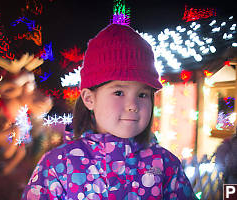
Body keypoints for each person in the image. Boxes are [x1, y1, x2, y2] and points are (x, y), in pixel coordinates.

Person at [21, 24, 196, 199]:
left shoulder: (166, 164)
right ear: (89, 99)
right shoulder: (57, 164)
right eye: (118, 92)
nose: (133, 105)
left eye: (142, 94)